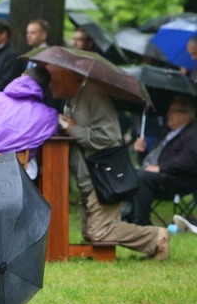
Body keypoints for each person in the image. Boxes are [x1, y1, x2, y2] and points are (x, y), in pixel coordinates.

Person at [47, 63, 170, 260]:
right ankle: (152, 239)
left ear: (66, 77)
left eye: (52, 77)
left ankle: (155, 236)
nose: (49, 83)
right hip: (90, 177)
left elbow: (109, 137)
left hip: (103, 177)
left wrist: (73, 129)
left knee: (99, 233)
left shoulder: (93, 94)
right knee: (90, 234)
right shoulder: (72, 99)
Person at [127, 96, 197, 226]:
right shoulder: (167, 132)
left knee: (141, 177)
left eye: (174, 111)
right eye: (169, 110)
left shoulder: (193, 134)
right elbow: (151, 161)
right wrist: (141, 152)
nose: (168, 114)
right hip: (156, 175)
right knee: (125, 174)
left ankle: (140, 223)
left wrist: (161, 168)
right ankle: (124, 217)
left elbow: (190, 160)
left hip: (176, 179)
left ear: (187, 114)